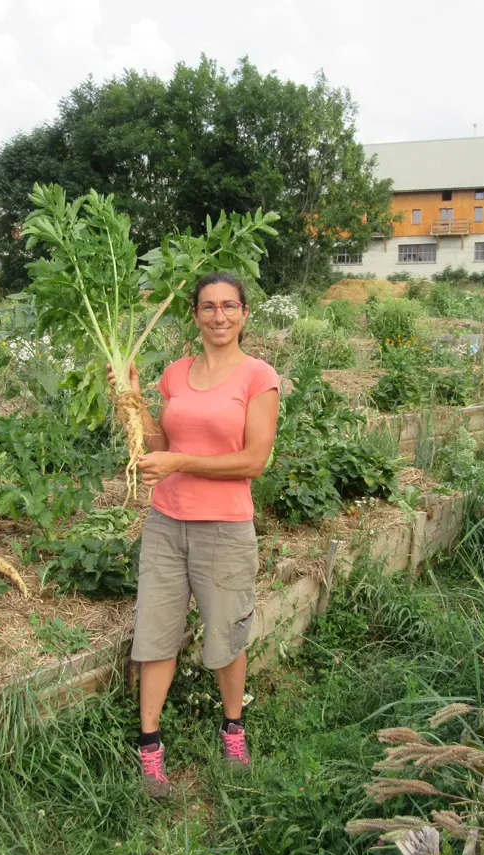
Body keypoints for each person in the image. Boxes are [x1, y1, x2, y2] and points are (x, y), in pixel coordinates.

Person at [107, 272, 281, 797]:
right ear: (196, 315)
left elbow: (254, 461)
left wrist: (180, 460)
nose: (219, 316)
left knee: (227, 634)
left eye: (229, 306)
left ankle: (233, 729)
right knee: (155, 633)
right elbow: (162, 441)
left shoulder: (258, 377)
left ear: (245, 314)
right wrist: (134, 405)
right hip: (165, 522)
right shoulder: (175, 374)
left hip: (225, 528)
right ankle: (150, 744)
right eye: (208, 307)